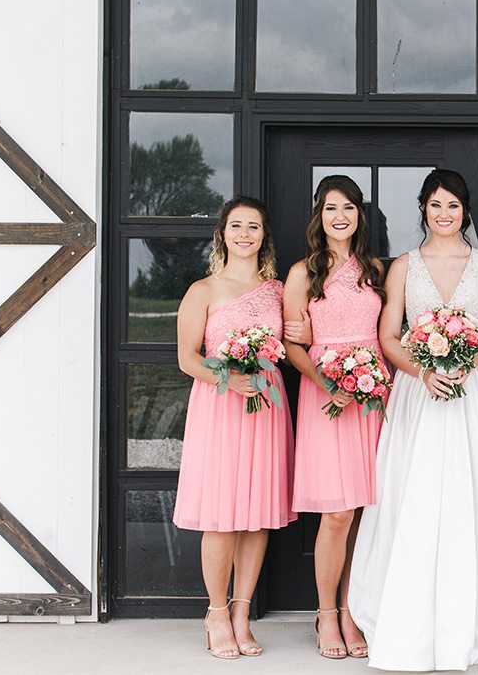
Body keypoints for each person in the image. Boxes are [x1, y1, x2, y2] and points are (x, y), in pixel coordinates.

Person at [348, 169, 478, 671]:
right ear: (424, 209)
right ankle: (410, 619)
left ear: (465, 211)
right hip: (421, 392)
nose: (444, 214)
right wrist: (425, 371)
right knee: (419, 497)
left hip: (476, 393)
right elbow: (390, 336)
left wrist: (467, 363)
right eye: (436, 205)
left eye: (453, 205)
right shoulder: (403, 268)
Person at [173, 196, 296, 659]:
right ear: (223, 233)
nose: (245, 234)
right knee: (223, 517)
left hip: (266, 406)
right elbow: (187, 359)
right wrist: (231, 377)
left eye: (254, 227)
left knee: (257, 515)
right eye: (237, 226)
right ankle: (217, 612)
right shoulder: (203, 290)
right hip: (220, 406)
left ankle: (243, 613)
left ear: (264, 236)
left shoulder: (278, 290)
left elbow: (295, 335)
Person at [283, 175, 386, 659]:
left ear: (359, 215)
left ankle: (353, 611)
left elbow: (387, 331)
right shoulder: (304, 272)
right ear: (318, 216)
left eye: (347, 207)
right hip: (325, 396)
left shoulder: (376, 270)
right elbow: (291, 344)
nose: (339, 216)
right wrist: (329, 383)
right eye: (330, 208)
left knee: (367, 511)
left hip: (371, 394)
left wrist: (367, 380)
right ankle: (326, 614)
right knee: (337, 512)